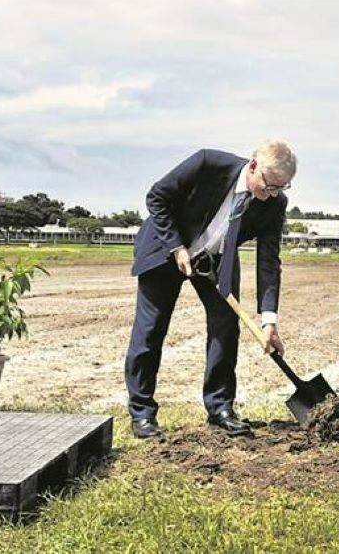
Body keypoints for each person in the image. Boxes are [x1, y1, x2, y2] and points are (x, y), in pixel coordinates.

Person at [124, 142, 295, 439]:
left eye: (281, 188)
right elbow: (157, 198)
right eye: (268, 186)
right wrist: (176, 247)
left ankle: (220, 408)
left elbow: (269, 262)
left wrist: (270, 321)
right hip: (166, 249)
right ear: (253, 166)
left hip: (217, 260)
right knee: (150, 329)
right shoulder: (207, 164)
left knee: (226, 327)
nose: (272, 194)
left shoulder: (274, 204)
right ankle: (142, 414)